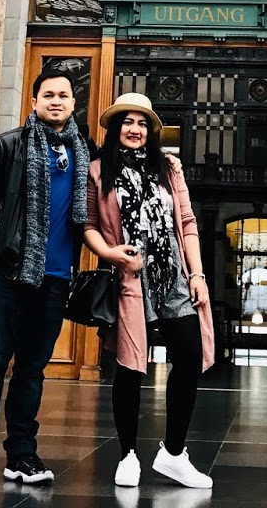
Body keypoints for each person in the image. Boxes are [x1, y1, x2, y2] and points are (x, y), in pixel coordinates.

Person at [0, 68, 89, 488]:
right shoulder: (10, 144)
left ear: (72, 103)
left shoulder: (84, 151)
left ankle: (21, 456)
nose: (56, 101)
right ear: (34, 101)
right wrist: (0, 238)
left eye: (63, 95)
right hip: (9, 275)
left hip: (56, 278)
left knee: (32, 369)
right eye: (48, 94)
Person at [83, 92, 216, 490]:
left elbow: (188, 223)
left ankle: (174, 454)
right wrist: (111, 253)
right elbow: (88, 224)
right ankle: (127, 454)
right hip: (130, 280)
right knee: (129, 368)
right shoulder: (96, 171)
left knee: (190, 355)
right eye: (127, 122)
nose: (134, 130)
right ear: (115, 128)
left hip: (172, 278)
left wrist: (198, 275)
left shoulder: (169, 168)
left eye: (142, 124)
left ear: (151, 131)